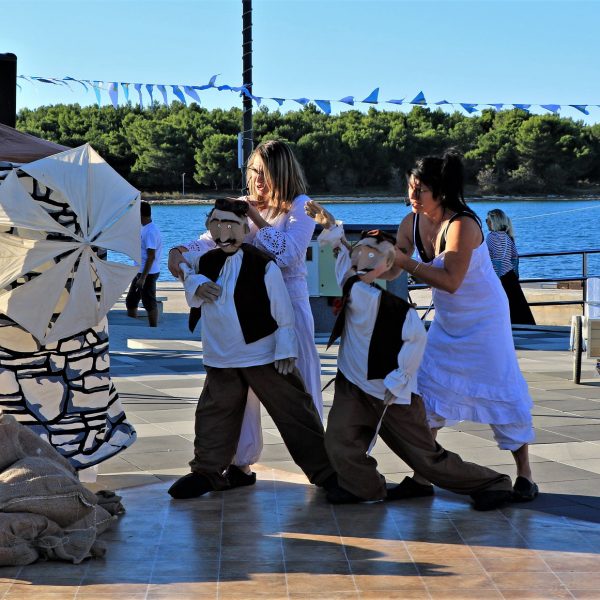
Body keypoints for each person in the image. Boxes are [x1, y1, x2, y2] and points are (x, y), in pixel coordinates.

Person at [304, 201, 514, 511]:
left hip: (391, 393)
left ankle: (492, 483)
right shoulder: (350, 282)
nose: (363, 258)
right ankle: (365, 487)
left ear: (387, 266)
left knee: (426, 459)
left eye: (373, 255)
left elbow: (415, 343)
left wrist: (399, 379)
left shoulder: (399, 311)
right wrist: (330, 225)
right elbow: (342, 255)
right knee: (339, 441)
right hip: (352, 384)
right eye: (361, 251)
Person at [168, 140, 322, 482]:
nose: (257, 181)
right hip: (246, 307)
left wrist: (251, 215)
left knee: (299, 386)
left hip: (289, 306)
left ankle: (324, 463)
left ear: (282, 173)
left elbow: (289, 255)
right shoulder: (240, 207)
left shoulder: (302, 207)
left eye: (265, 173)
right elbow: (209, 241)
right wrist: (179, 251)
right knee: (242, 386)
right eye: (253, 172)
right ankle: (240, 462)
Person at [391, 150, 538, 503]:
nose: (411, 197)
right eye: (410, 188)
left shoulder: (464, 224)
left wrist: (402, 261)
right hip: (448, 320)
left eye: (419, 191)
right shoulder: (411, 221)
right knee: (428, 389)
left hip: (485, 319)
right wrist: (364, 257)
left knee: (500, 386)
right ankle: (422, 476)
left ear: (440, 192)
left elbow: (451, 279)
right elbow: (395, 263)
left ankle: (525, 476)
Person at [486, 209, 536, 325]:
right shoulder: (508, 237)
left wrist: (493, 279)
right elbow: (514, 257)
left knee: (502, 308)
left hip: (500, 278)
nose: (486, 222)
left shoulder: (491, 237)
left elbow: (495, 260)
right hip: (511, 278)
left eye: (487, 220)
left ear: (493, 221)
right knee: (518, 309)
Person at [126, 201, 163, 327]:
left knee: (148, 302)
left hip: (148, 273)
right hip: (140, 271)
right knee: (131, 301)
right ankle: (132, 325)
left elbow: (151, 256)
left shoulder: (150, 232)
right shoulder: (145, 228)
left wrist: (143, 278)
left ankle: (153, 328)